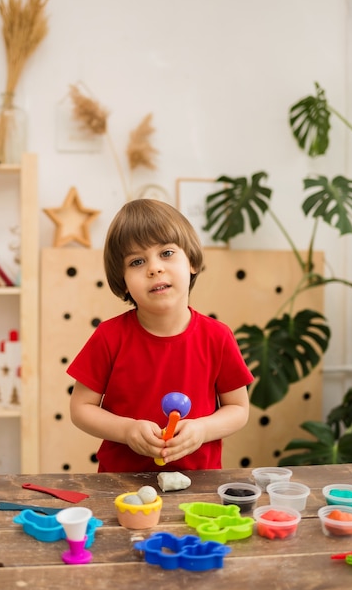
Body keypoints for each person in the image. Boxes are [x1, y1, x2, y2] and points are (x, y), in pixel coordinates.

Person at [67, 198, 253, 472]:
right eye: (137, 261)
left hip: (198, 487)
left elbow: (238, 409)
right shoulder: (109, 336)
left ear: (192, 262)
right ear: (124, 282)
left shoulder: (218, 337)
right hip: (120, 486)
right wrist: (127, 430)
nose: (154, 268)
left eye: (166, 253)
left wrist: (202, 429)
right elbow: (81, 408)